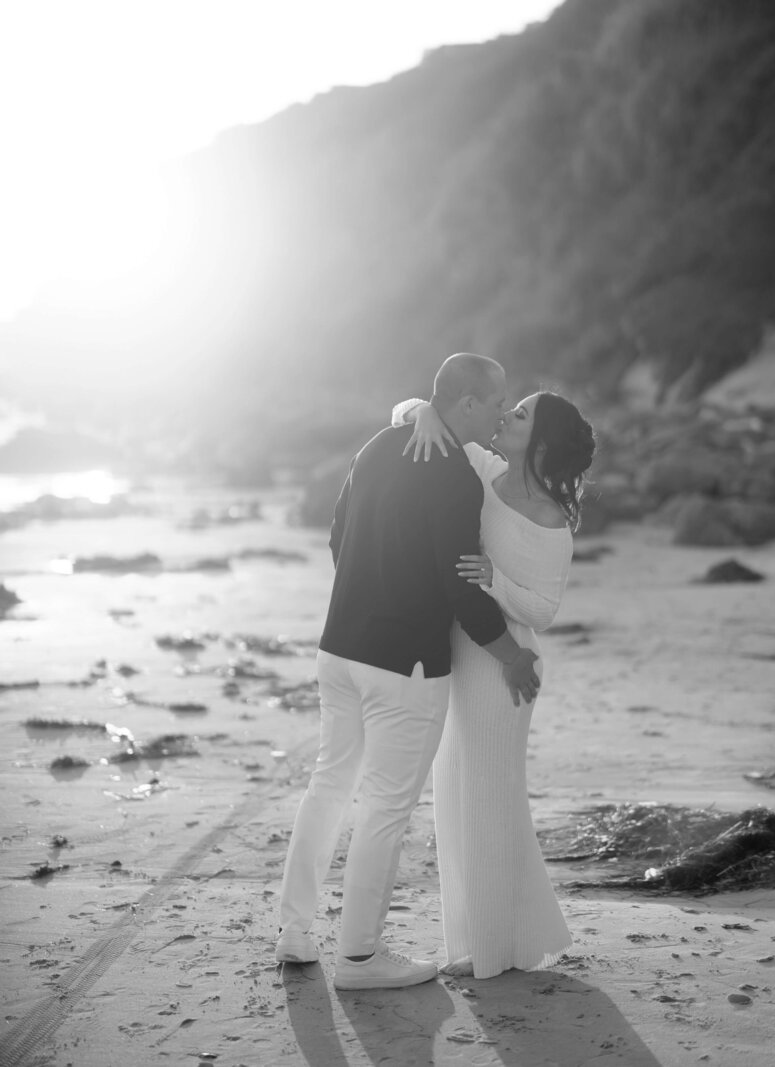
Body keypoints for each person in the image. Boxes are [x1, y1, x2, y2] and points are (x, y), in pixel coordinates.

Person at [276, 353, 541, 991]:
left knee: (329, 787)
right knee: (386, 809)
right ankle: (360, 959)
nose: (504, 409)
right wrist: (511, 653)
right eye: (497, 397)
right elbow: (461, 584)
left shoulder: (379, 444)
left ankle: (295, 932)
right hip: (407, 667)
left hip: (338, 649)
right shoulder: (453, 476)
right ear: (469, 403)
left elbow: (339, 536)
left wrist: (371, 593)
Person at [391, 388, 595, 979]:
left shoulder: (551, 516)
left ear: (544, 440)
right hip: (466, 652)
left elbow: (544, 610)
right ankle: (498, 940)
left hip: (508, 665)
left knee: (488, 799)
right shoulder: (485, 467)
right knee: (458, 794)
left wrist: (494, 581)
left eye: (523, 414)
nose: (507, 416)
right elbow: (401, 413)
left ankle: (490, 950)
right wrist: (426, 409)